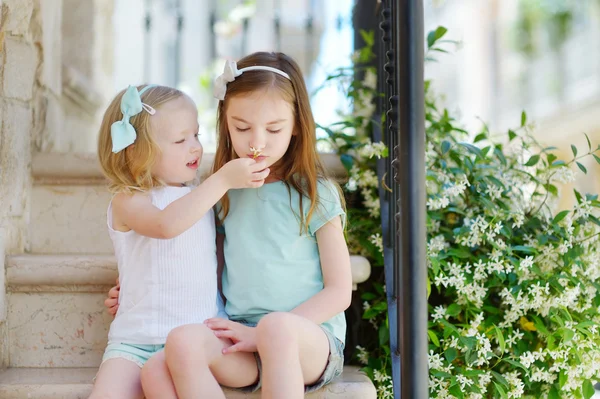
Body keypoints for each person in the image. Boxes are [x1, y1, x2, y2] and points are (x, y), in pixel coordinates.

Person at [105, 52, 353, 399]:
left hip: (307, 341)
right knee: (171, 353)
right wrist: (134, 287)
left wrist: (262, 334)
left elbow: (340, 291)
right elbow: (203, 262)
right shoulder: (223, 191)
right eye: (241, 127)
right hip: (242, 341)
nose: (257, 141)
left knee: (276, 327)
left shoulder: (316, 194)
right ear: (224, 123)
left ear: (297, 124)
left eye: (274, 128)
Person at [90, 84, 270, 399]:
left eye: (197, 136)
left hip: (200, 338)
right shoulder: (129, 200)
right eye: (180, 139)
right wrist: (223, 179)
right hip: (135, 342)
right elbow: (165, 225)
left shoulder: (200, 197)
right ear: (136, 152)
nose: (195, 148)